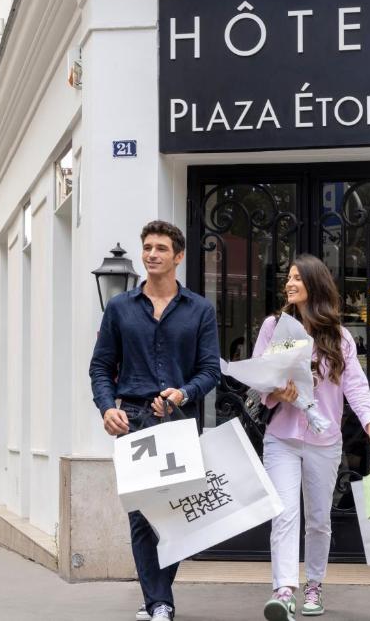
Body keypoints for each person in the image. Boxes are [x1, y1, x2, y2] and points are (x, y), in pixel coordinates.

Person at [89, 220, 221, 621]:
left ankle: (156, 599)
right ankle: (160, 602)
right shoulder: (119, 308)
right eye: (147, 247)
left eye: (161, 248)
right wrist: (106, 406)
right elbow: (100, 366)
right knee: (142, 514)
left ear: (178, 257)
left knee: (177, 512)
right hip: (132, 420)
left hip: (178, 419)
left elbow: (210, 370)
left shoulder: (200, 309)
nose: (151, 254)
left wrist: (183, 393)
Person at [255, 255, 370, 621]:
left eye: (297, 278)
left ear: (315, 284)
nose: (290, 283)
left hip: (323, 440)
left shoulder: (338, 336)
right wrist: (278, 393)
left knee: (317, 519)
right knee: (283, 513)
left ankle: (314, 584)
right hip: (281, 436)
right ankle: (283, 589)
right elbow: (260, 376)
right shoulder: (274, 327)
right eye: (288, 277)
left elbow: (355, 386)